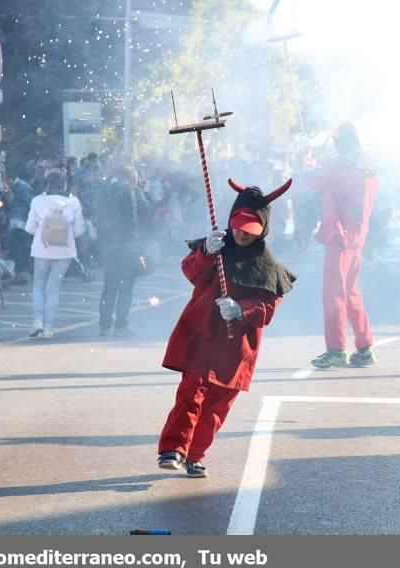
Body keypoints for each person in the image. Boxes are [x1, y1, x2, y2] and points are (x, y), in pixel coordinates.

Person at [157, 178, 295, 478]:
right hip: (202, 335)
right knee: (190, 393)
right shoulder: (216, 247)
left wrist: (242, 309)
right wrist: (205, 251)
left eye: (250, 230)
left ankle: (195, 454)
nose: (242, 234)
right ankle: (173, 449)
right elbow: (190, 273)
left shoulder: (269, 266)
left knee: (218, 405)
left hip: (236, 347)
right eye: (238, 226)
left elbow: (268, 309)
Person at [310, 122, 379, 369]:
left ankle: (336, 349)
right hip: (356, 237)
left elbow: (313, 183)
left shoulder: (337, 167)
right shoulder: (369, 168)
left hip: (340, 236)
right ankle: (364, 346)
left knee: (334, 295)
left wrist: (309, 166)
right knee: (351, 293)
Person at [25, 170, 85, 338]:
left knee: (38, 285)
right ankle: (49, 328)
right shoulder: (73, 202)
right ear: (64, 183)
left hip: (41, 248)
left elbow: (29, 228)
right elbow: (79, 231)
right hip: (64, 251)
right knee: (53, 289)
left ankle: (37, 320)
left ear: (47, 183)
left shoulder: (38, 201)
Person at [97, 165, 151, 337]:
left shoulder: (106, 191)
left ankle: (104, 326)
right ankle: (121, 326)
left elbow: (99, 215)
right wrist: (144, 192)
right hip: (128, 244)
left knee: (110, 285)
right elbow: (146, 213)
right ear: (132, 177)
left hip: (109, 244)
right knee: (126, 285)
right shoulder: (133, 191)